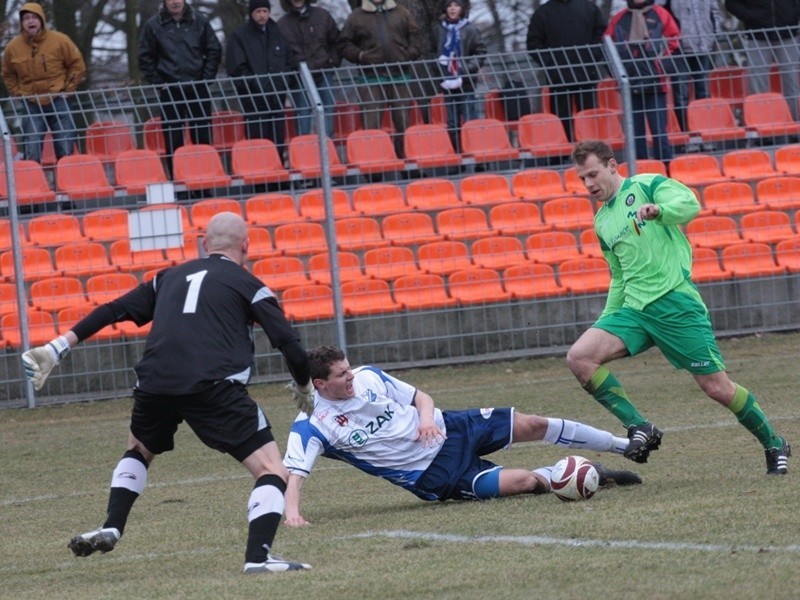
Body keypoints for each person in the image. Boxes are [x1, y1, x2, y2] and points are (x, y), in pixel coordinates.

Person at [21, 212, 315, 573]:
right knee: (272, 470)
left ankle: (113, 525)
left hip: (155, 382)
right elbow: (289, 343)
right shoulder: (249, 284)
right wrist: (303, 385)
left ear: (204, 244)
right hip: (212, 385)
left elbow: (114, 309)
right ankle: (258, 558)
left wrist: (57, 348)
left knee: (139, 449)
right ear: (246, 246)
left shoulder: (167, 278)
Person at [566, 140, 791, 475]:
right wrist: (607, 320)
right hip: (635, 310)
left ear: (613, 166)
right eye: (582, 178)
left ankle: (774, 443)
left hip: (675, 304)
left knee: (717, 388)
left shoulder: (647, 185)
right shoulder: (602, 221)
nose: (589, 184)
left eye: (593, 174)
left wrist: (661, 211)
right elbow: (619, 275)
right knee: (579, 357)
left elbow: (689, 203)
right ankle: (640, 427)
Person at [282, 345, 642, 524]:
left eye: (349, 369)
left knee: (534, 423)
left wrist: (425, 419)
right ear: (319, 384)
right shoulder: (314, 424)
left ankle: (624, 446)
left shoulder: (368, 377)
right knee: (526, 483)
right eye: (342, 375)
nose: (350, 377)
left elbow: (421, 398)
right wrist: (293, 515)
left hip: (452, 427)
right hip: (437, 476)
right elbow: (295, 476)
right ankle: (582, 473)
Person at [138, 0, 222, 176]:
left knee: (202, 138)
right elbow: (145, 57)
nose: (175, 2)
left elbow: (214, 49)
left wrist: (206, 78)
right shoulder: (152, 25)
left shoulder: (200, 21)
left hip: (197, 88)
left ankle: (204, 180)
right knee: (173, 139)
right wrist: (159, 83)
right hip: (170, 90)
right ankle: (179, 181)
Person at [1, 3, 85, 164]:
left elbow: (77, 65)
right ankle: (34, 184)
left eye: (34, 17)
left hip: (59, 99)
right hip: (31, 103)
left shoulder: (60, 40)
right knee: (31, 148)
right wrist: (17, 93)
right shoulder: (12, 47)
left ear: (41, 20)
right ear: (21, 23)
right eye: (26, 18)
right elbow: (8, 74)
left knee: (65, 147)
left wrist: (68, 89)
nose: (30, 21)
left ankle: (65, 184)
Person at [337, 0, 423, 158]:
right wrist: (360, 55)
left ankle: (408, 161)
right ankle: (375, 164)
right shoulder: (356, 16)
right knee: (371, 125)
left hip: (400, 75)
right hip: (370, 78)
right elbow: (343, 43)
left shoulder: (402, 12)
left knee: (404, 122)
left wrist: (408, 54)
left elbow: (416, 36)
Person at [605, 0, 679, 163]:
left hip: (655, 84)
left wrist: (660, 66)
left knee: (659, 132)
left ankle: (665, 169)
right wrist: (618, 73)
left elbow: (674, 41)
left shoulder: (661, 14)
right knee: (635, 134)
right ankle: (640, 171)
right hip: (629, 85)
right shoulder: (619, 18)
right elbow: (608, 47)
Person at [526, 0, 607, 142]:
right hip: (559, 77)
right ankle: (562, 153)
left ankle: (591, 152)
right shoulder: (543, 12)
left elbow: (601, 35)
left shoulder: (589, 8)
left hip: (585, 74)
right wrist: (551, 62)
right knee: (560, 119)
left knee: (588, 117)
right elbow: (533, 43)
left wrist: (591, 55)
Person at [227, 0, 293, 156]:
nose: (262, 15)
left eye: (264, 11)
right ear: (251, 13)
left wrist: (283, 83)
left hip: (277, 96)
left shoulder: (278, 32)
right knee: (257, 143)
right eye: (258, 11)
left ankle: (278, 176)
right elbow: (236, 68)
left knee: (277, 141)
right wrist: (255, 84)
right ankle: (259, 177)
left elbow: (289, 61)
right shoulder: (240, 36)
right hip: (253, 99)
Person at [725, 0, 800, 121]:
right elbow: (731, 4)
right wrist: (750, 17)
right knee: (757, 84)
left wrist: (793, 15)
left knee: (791, 82)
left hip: (788, 34)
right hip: (758, 35)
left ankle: (794, 124)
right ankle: (761, 125)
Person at [278, 0, 341, 138]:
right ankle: (303, 153)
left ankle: (328, 151)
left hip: (323, 72)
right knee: (303, 114)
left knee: (328, 111)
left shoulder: (323, 15)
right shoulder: (282, 24)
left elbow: (336, 41)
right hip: (298, 77)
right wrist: (293, 68)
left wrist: (332, 62)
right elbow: (282, 54)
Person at [433, 0, 487, 154]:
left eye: (456, 5)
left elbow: (480, 53)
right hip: (446, 82)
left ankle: (476, 154)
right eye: (449, 5)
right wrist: (440, 69)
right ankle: (456, 155)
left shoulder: (470, 29)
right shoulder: (438, 30)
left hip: (466, 81)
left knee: (470, 119)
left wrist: (465, 70)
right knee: (452, 122)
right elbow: (433, 52)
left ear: (462, 9)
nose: (452, 9)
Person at [663, 0, 722, 132]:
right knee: (680, 94)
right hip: (679, 47)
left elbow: (714, 11)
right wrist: (669, 38)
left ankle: (705, 132)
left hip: (704, 45)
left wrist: (714, 34)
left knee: (703, 92)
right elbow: (661, 11)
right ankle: (685, 133)